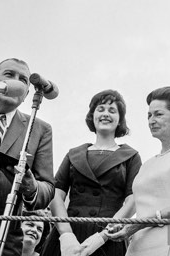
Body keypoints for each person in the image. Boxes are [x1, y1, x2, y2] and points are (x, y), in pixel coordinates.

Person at [0, 58, 55, 255]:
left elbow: (47, 187)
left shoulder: (39, 129)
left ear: (27, 94)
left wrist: (31, 188)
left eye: (23, 80)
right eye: (9, 75)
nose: (16, 82)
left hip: (4, 241)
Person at [107, 86, 170, 256]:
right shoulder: (147, 164)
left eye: (158, 114)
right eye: (149, 115)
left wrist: (141, 222)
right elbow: (139, 207)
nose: (151, 120)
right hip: (139, 247)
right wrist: (124, 225)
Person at [40, 89, 142, 256]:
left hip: (108, 237)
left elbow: (133, 201)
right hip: (68, 232)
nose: (105, 114)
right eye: (100, 109)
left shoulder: (131, 156)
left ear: (120, 120)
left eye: (112, 110)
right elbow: (55, 195)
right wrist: (66, 235)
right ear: (92, 115)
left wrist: (102, 237)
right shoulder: (73, 154)